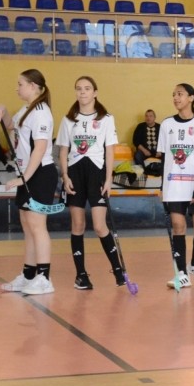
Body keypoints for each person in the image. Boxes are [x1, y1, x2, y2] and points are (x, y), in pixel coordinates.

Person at [56, 76, 125, 290]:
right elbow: (63, 150)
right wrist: (65, 176)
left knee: (99, 225)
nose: (82, 92)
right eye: (79, 88)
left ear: (95, 92)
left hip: (96, 173)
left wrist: (108, 179)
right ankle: (81, 275)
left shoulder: (106, 118)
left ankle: (118, 270)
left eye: (87, 88)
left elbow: (109, 150)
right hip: (75, 173)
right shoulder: (69, 119)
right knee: (77, 225)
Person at [0, 69, 58, 295]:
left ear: (33, 86)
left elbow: (40, 148)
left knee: (37, 225)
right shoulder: (27, 109)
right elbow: (11, 126)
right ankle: (29, 274)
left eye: (20, 84)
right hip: (28, 173)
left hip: (39, 174)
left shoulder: (41, 112)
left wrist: (23, 178)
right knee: (27, 225)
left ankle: (44, 278)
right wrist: (4, 113)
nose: (17, 88)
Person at [158, 83, 194, 288]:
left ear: (191, 97)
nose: (176, 98)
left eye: (180, 94)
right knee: (178, 227)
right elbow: (164, 160)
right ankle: (181, 273)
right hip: (174, 185)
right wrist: (163, 187)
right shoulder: (166, 125)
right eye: (174, 94)